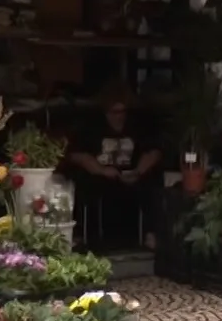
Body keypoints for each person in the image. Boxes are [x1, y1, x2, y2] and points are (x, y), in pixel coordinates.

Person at [66, 95, 163, 249]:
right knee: (83, 183)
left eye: (122, 112)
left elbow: (153, 152)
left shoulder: (137, 125)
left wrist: (138, 171)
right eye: (114, 112)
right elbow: (77, 155)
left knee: (151, 183)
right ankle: (80, 235)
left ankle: (150, 233)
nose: (119, 116)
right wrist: (102, 170)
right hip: (101, 176)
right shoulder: (92, 126)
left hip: (131, 175)